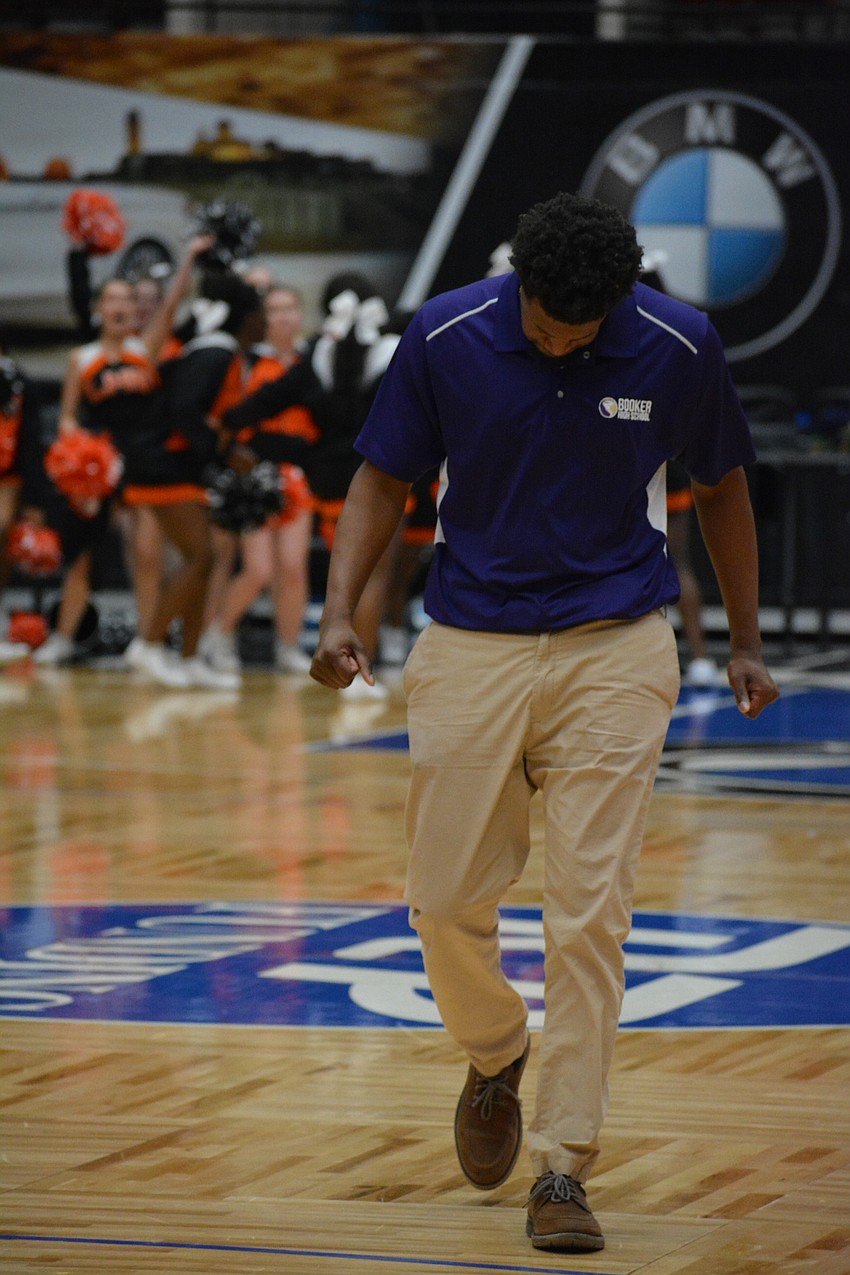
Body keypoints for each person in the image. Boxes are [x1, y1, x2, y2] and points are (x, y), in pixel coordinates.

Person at [309, 191, 779, 1253]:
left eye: (578, 329)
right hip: (470, 640)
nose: (555, 338)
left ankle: (563, 1165)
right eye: (541, 321)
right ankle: (492, 1055)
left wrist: (743, 640)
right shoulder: (445, 333)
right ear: (516, 283)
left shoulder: (677, 344)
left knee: (589, 913)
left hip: (616, 645)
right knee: (441, 901)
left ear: (620, 303)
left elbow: (724, 484)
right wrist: (342, 611)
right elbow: (384, 478)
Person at [200, 284, 316, 675]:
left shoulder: (314, 359)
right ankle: (219, 633)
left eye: (290, 308)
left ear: (301, 314)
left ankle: (288, 647)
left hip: (298, 472)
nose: (284, 317)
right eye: (275, 310)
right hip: (253, 473)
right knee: (259, 569)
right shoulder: (247, 361)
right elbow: (229, 413)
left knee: (294, 567)